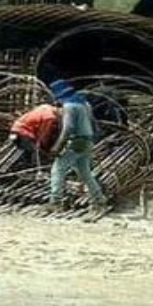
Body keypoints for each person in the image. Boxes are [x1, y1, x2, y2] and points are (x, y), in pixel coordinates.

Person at [46, 80, 107, 212]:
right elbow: (94, 124)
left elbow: (68, 128)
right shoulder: (85, 104)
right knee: (85, 173)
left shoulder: (69, 106)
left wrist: (57, 146)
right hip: (88, 140)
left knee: (58, 169)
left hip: (77, 141)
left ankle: (55, 202)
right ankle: (99, 200)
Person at [9, 101, 60, 167]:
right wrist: (45, 147)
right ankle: (35, 170)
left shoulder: (44, 107)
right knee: (37, 153)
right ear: (59, 108)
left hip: (16, 129)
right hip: (24, 132)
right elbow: (44, 134)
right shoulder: (50, 117)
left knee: (26, 153)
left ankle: (23, 168)